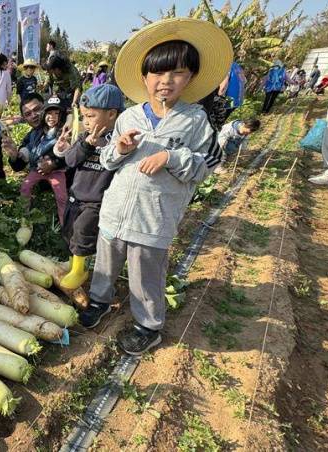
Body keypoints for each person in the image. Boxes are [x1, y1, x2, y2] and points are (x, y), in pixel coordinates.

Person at [80, 19, 230, 355]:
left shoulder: (195, 120)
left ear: (190, 77)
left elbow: (205, 167)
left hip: (154, 217)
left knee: (146, 273)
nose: (166, 81)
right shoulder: (129, 117)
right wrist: (119, 149)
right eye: (157, 74)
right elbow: (107, 161)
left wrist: (170, 157)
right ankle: (99, 301)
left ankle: (148, 326)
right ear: (144, 77)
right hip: (116, 210)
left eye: (176, 73)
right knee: (105, 264)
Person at [51, 84, 124, 289]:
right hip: (76, 194)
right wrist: (86, 145)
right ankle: (74, 262)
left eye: (90, 116)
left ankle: (79, 270)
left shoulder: (117, 141)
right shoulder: (84, 137)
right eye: (83, 116)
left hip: (96, 200)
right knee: (69, 230)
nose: (86, 122)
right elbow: (71, 160)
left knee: (83, 231)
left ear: (111, 114)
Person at [9, 95, 68, 222]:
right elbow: (19, 165)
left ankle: (65, 222)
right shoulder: (31, 136)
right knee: (26, 185)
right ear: (24, 118)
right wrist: (14, 154)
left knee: (62, 195)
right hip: (39, 173)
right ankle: (24, 216)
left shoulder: (63, 130)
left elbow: (73, 153)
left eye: (37, 109)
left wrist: (54, 162)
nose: (34, 115)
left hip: (67, 177)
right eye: (28, 114)